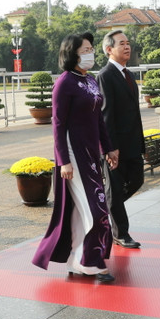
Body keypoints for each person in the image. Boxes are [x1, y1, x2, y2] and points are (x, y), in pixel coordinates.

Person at [33, 33, 119, 281]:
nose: (90, 53)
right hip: (74, 154)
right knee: (97, 208)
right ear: (72, 53)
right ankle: (91, 261)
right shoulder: (64, 83)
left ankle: (77, 259)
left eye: (92, 48)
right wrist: (63, 161)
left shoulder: (90, 80)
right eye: (86, 49)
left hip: (92, 153)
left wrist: (109, 147)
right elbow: (58, 125)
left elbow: (98, 119)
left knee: (82, 211)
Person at [98, 31, 145, 249]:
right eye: (122, 44)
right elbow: (106, 115)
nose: (127, 47)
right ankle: (120, 233)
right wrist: (110, 148)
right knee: (115, 190)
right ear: (109, 49)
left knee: (137, 181)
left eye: (128, 43)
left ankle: (106, 210)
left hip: (132, 144)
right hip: (114, 147)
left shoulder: (128, 75)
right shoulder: (105, 75)